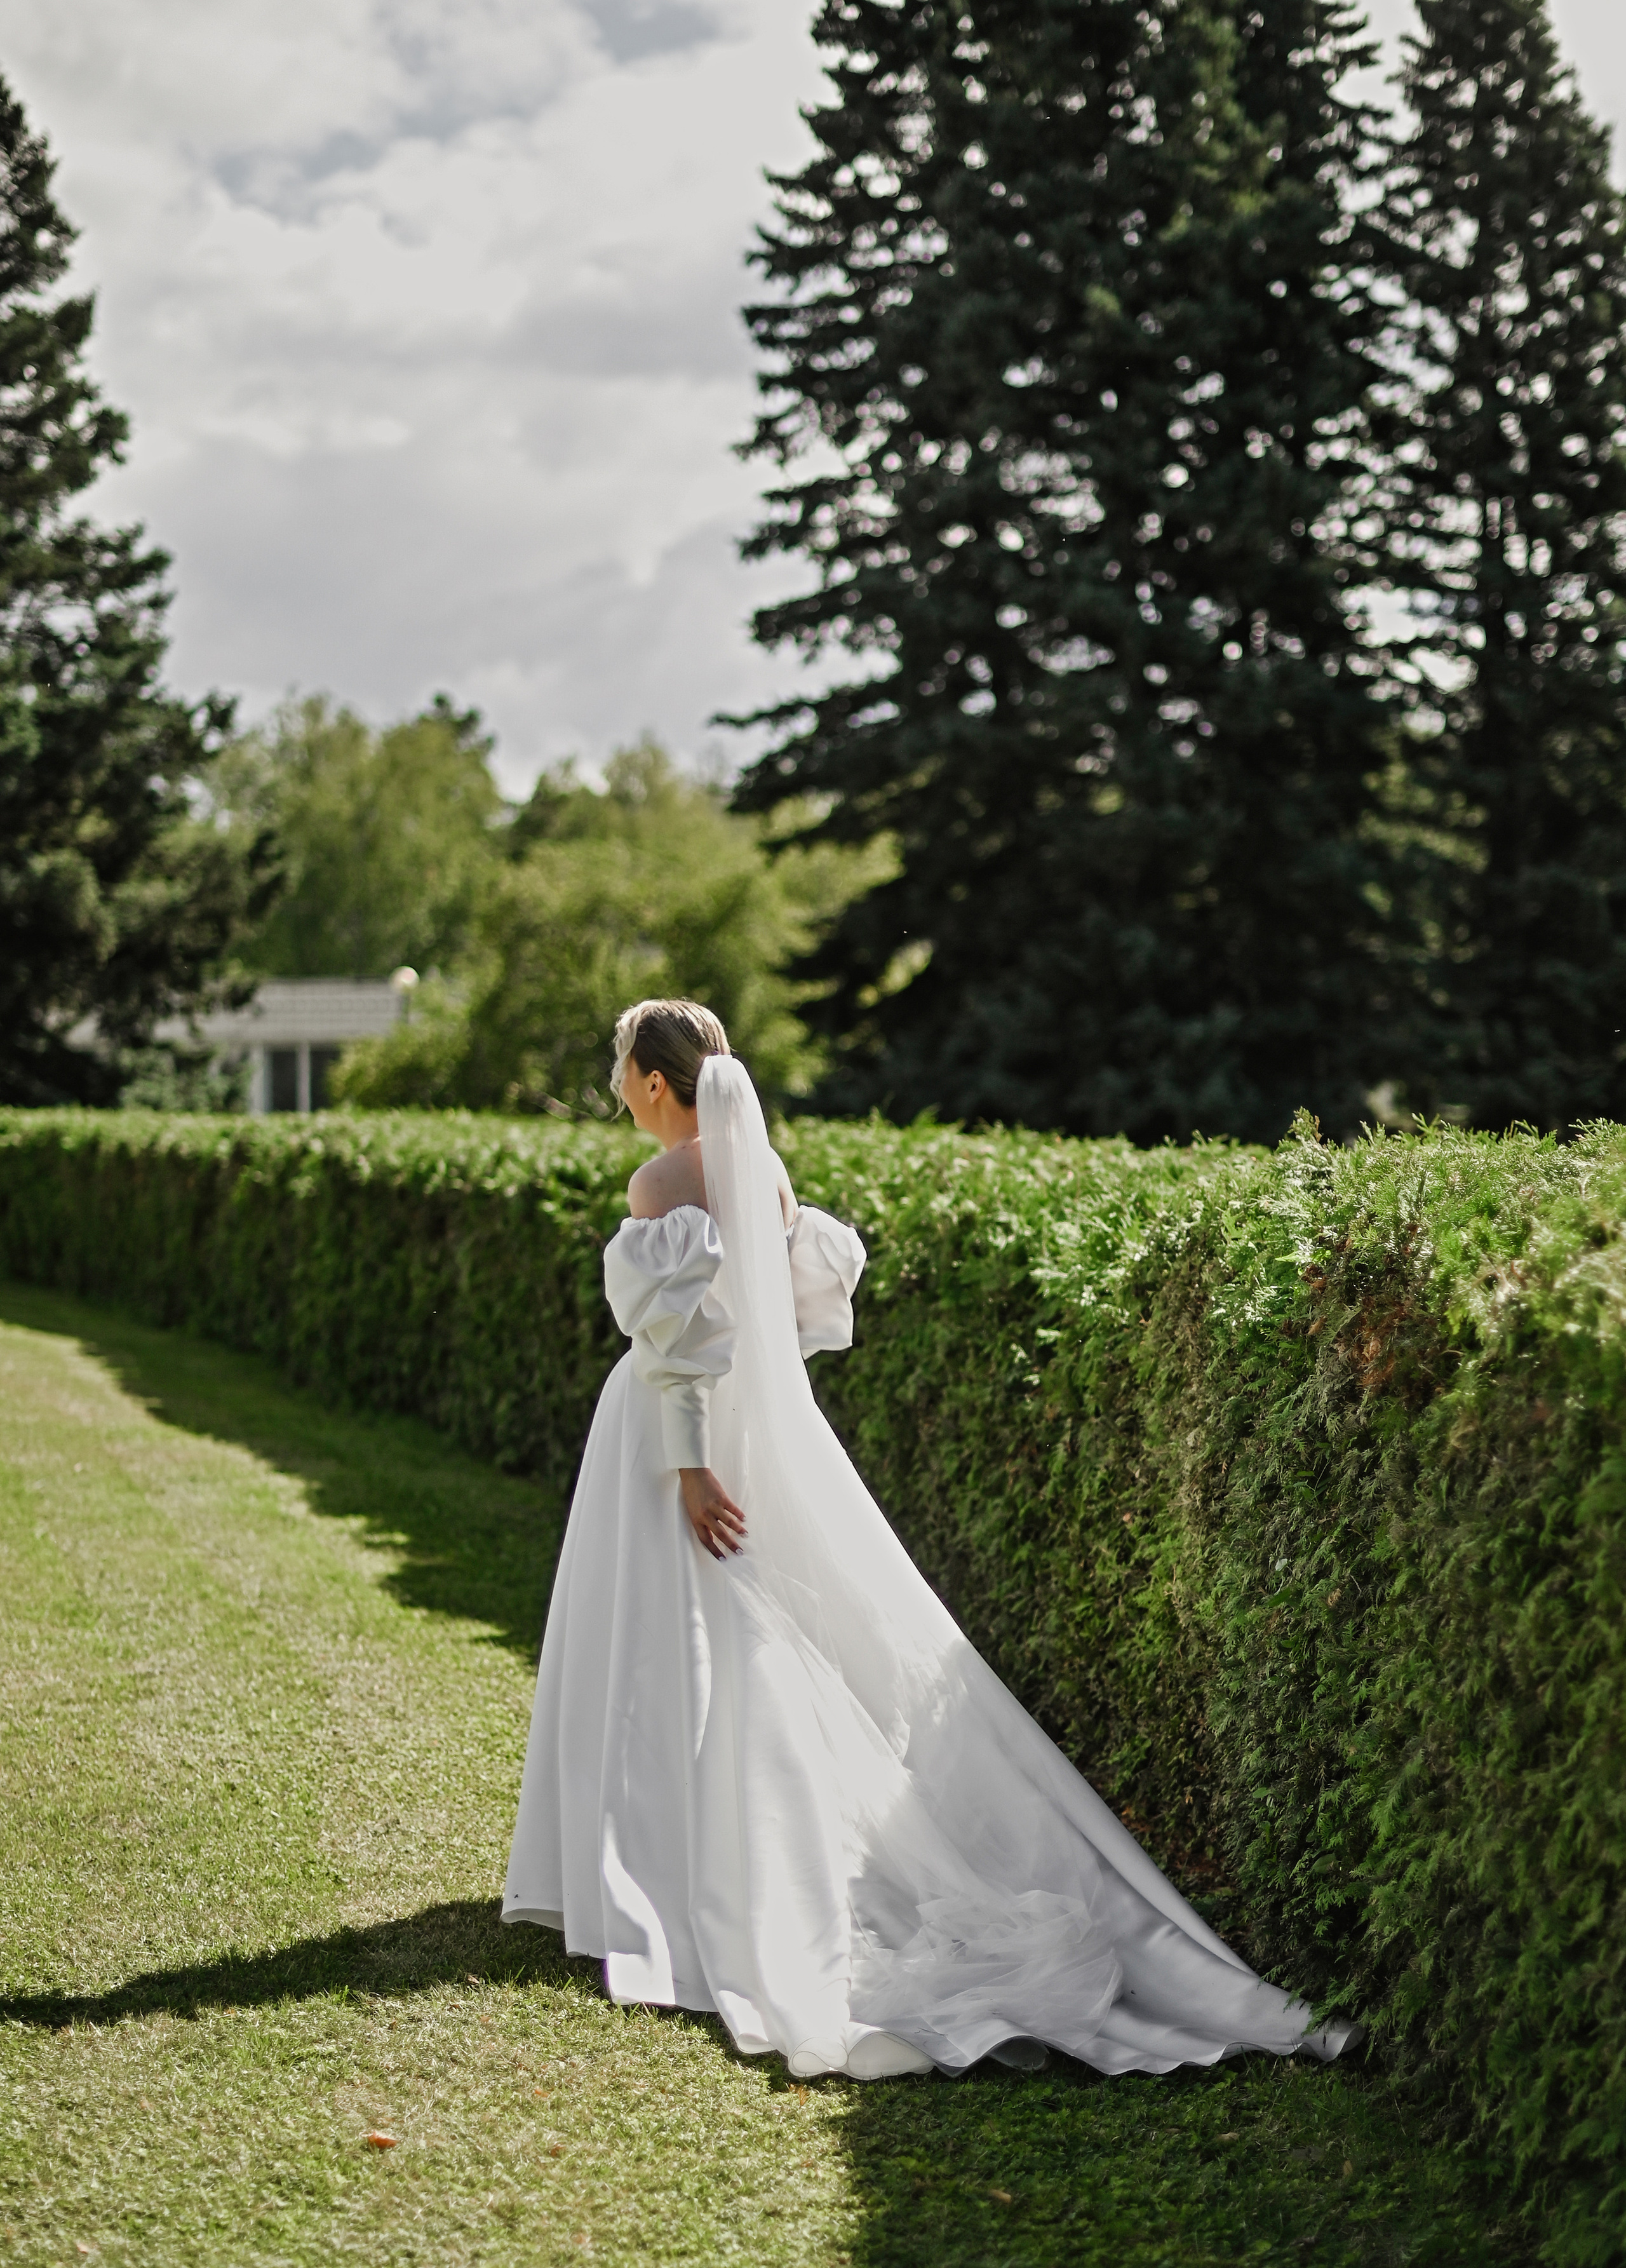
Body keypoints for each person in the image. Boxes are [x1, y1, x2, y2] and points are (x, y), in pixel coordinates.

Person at [503, 997, 1358, 2081]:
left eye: (621, 1065)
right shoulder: (763, 1175)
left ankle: (672, 1871)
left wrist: (690, 1465)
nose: (616, 1081)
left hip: (684, 1444)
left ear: (660, 1084)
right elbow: (790, 1320)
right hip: (758, 1430)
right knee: (740, 1640)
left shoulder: (661, 1185)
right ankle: (700, 1858)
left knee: (680, 1638)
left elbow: (679, 1344)